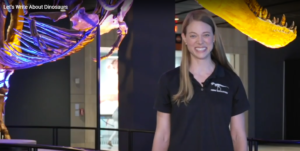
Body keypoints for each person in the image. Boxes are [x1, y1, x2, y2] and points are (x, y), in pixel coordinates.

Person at [152, 10, 249, 151]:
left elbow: (237, 135)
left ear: (214, 38)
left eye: (206, 35)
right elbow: (163, 136)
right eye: (193, 36)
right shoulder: (169, 80)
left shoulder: (231, 81)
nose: (200, 41)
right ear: (184, 38)